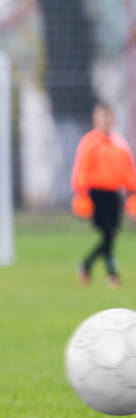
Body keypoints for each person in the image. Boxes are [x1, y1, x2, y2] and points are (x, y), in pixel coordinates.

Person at [72, 101, 136, 288]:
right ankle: (112, 274)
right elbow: (81, 170)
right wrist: (81, 194)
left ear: (113, 119)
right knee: (109, 232)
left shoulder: (119, 143)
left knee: (112, 235)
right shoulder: (90, 143)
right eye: (102, 117)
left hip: (114, 194)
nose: (106, 120)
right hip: (96, 194)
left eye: (108, 116)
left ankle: (86, 265)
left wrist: (132, 193)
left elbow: (128, 170)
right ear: (96, 119)